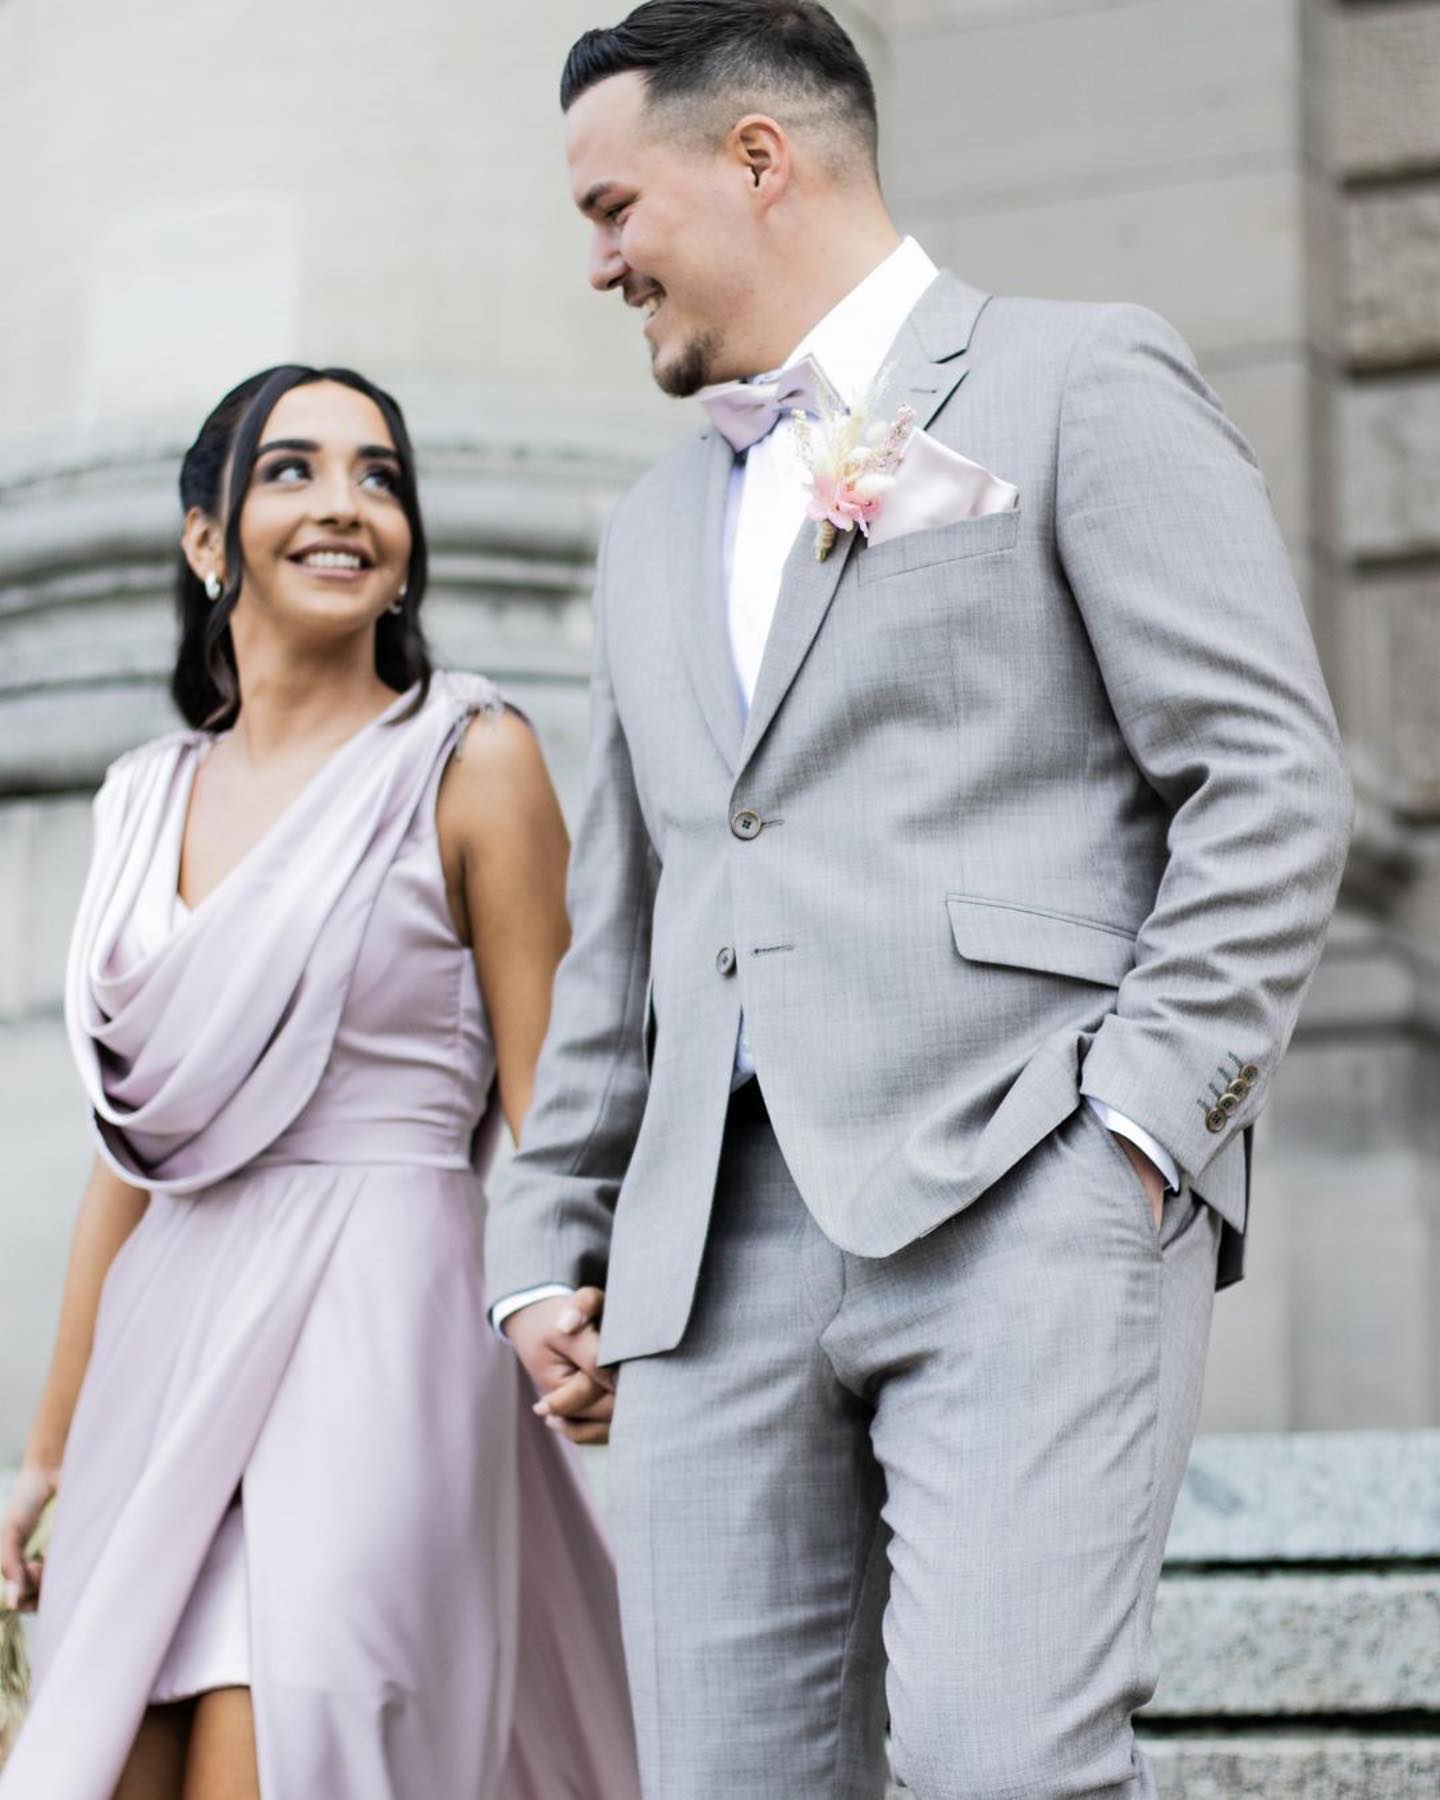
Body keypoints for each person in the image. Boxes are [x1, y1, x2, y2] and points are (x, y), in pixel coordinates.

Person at [485, 4, 1355, 1796]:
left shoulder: (1076, 377)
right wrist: (547, 1243)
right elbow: (634, 912)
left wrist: (1133, 1131)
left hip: (1019, 1189)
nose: (595, 263)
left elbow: (1263, 779)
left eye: (610, 206)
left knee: (998, 1772)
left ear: (756, 159)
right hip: (704, 1266)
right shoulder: (651, 525)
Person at [0, 366, 640, 1799]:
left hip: (383, 1329)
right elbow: (135, 1155)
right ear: (206, 539)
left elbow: (559, 1112)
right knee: (108, 1767)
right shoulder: (137, 797)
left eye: (380, 475)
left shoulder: (472, 760)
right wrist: (39, 1461)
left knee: (302, 1746)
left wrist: (599, 1321)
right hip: (163, 1351)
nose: (346, 505)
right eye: (291, 470)